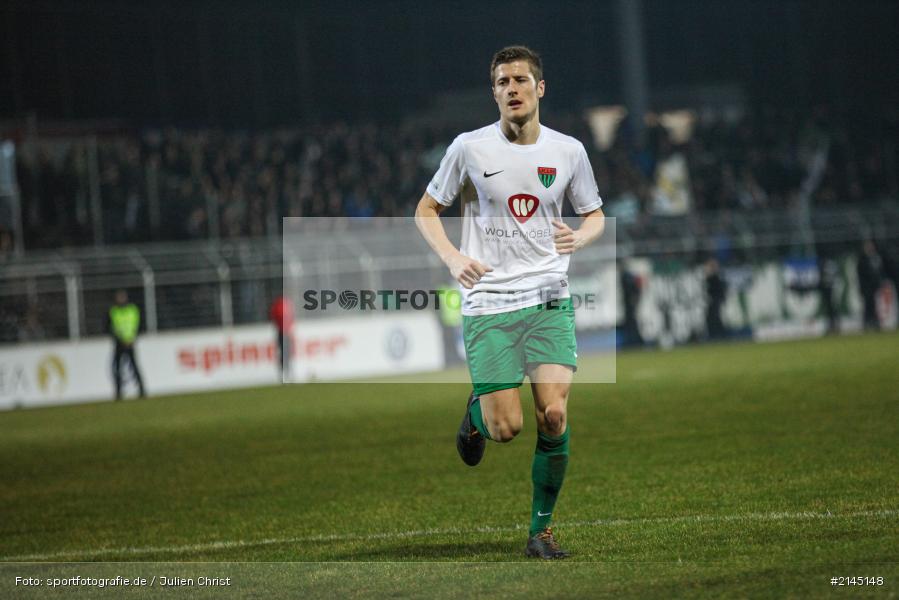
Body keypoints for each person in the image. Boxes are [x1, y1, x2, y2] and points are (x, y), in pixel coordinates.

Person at [415, 46, 605, 559]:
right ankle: (477, 413)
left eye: (521, 79)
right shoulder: (469, 149)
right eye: (502, 82)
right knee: (506, 428)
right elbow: (426, 210)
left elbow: (595, 215)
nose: (512, 88)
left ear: (539, 88)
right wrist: (453, 258)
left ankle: (540, 533)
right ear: (494, 92)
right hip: (490, 302)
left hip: (547, 297)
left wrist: (579, 240)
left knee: (553, 416)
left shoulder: (568, 151)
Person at [108, 289, 146, 400]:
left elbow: (139, 325)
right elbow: (109, 328)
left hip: (130, 343)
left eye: (122, 297)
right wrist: (119, 339)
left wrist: (132, 338)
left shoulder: (132, 310)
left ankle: (142, 390)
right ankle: (119, 392)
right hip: (119, 344)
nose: (121, 299)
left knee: (134, 367)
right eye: (119, 297)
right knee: (117, 368)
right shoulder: (113, 311)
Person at [269, 294, 294, 380]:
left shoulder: (282, 305)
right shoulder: (284, 305)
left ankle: (286, 372)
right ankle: (285, 373)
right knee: (285, 353)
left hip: (284, 332)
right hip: (283, 332)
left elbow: (274, 317)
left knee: (285, 353)